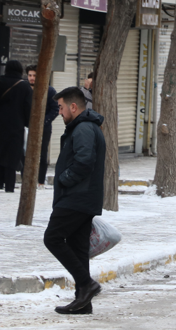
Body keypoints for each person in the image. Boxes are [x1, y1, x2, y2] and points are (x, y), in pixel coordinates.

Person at [44, 86, 105, 314]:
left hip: (77, 197)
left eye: (61, 108)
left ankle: (87, 284)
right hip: (82, 197)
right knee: (78, 249)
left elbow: (84, 162)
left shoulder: (83, 128)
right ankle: (83, 302)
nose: (59, 112)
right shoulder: (83, 127)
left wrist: (63, 180)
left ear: (73, 106)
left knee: (53, 237)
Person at [0, 61, 32, 193]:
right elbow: (28, 108)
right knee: (12, 158)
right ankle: (9, 186)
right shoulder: (25, 87)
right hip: (16, 128)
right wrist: (26, 123)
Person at [25, 64, 59, 189]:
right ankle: (26, 178)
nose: (32, 78)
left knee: (42, 153)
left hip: (44, 127)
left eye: (34, 75)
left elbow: (55, 108)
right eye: (30, 75)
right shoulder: (24, 88)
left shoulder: (49, 90)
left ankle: (40, 181)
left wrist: (44, 121)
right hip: (26, 126)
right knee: (25, 152)